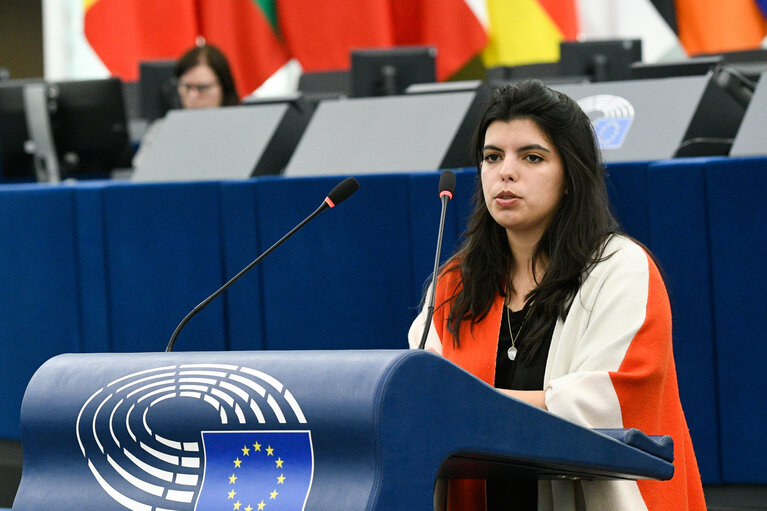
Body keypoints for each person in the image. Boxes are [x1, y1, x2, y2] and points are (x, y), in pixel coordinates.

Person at [408, 80, 706, 510]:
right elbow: (419, 400)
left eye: (531, 157)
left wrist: (460, 404)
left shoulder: (618, 269)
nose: (505, 172)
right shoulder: (456, 281)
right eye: (492, 157)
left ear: (570, 175)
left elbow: (602, 405)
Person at [132, 43, 239, 168]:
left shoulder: (243, 129)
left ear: (224, 88)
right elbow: (141, 173)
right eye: (187, 87)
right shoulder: (162, 130)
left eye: (202, 87)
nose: (193, 96)